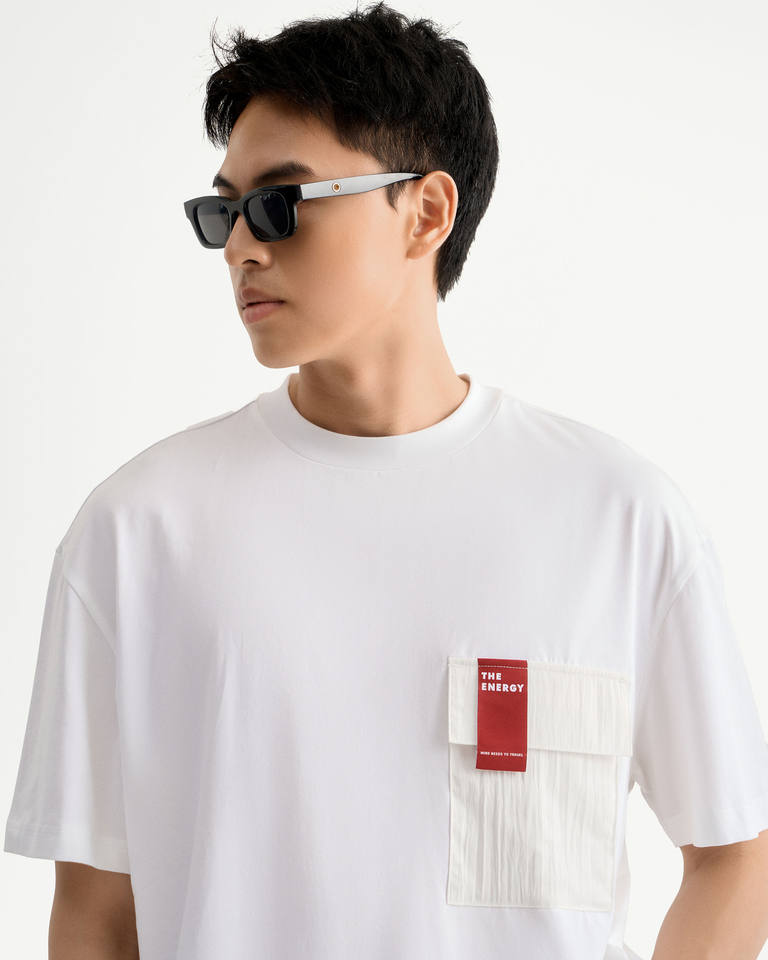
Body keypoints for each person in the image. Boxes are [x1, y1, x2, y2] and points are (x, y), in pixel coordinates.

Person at [5, 4, 768, 959]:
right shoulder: (138, 531)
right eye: (222, 212)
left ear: (427, 212)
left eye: (280, 203)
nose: (241, 246)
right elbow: (95, 913)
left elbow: (736, 853)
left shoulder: (619, 516)